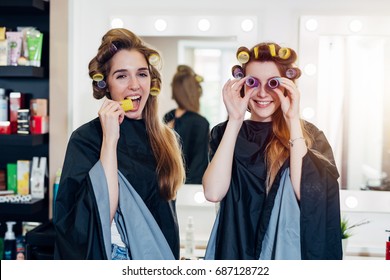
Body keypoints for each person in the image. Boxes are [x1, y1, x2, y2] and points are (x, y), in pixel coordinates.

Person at [53, 28, 185, 260]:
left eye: (142, 74)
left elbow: (166, 217)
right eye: (122, 76)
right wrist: (110, 139)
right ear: (106, 85)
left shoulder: (165, 138)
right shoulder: (86, 139)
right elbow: (101, 213)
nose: (135, 85)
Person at [203, 42, 342, 260]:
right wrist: (235, 120)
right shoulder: (224, 132)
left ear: (287, 86)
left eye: (273, 84)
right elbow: (213, 192)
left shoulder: (309, 135)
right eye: (252, 82)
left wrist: (292, 120)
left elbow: (307, 197)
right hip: (235, 251)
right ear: (242, 84)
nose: (261, 93)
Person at [163, 65, 210, 184]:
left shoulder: (168, 116)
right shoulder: (200, 123)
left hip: (165, 183)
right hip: (188, 187)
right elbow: (199, 163)